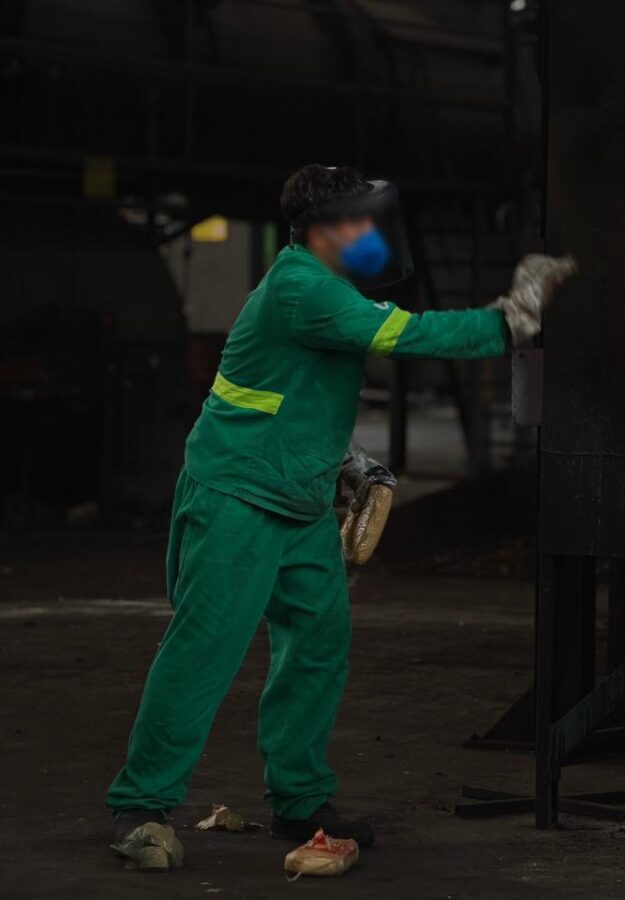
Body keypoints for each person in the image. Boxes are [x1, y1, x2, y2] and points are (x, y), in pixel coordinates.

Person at [106, 164, 573, 867]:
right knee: (205, 649)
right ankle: (141, 806)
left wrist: (345, 458)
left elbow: (290, 389)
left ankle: (298, 800)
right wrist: (511, 319)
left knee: (318, 647)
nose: (371, 235)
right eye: (358, 222)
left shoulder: (328, 285)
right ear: (322, 232)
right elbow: (406, 337)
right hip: (240, 494)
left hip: (296, 498)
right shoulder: (304, 287)